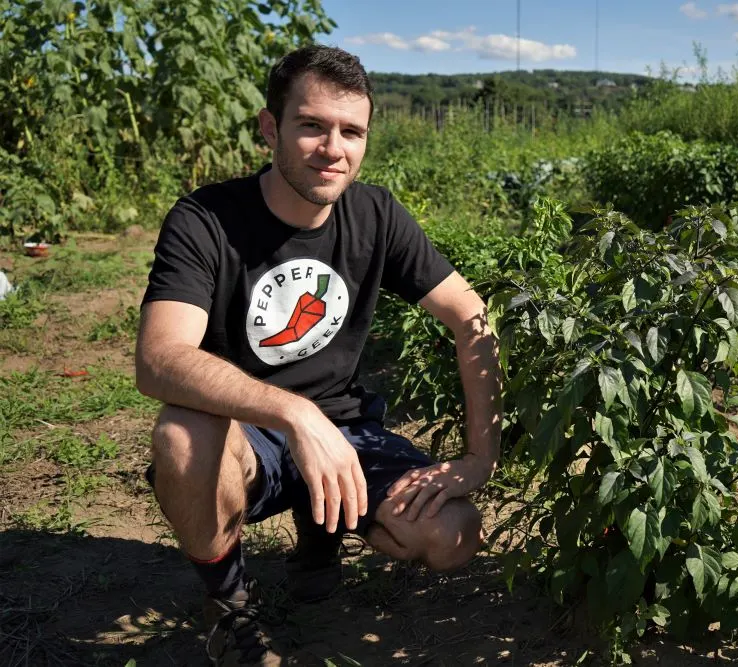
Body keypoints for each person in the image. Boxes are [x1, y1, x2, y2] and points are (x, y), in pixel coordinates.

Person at [135, 44, 501, 666]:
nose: (334, 148)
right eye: (312, 125)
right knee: (181, 434)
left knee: (452, 535)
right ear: (270, 127)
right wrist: (297, 416)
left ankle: (321, 529)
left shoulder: (377, 214)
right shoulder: (207, 220)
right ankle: (229, 608)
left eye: (351, 131)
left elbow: (472, 316)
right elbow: (159, 358)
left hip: (348, 431)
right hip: (248, 437)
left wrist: (478, 460)